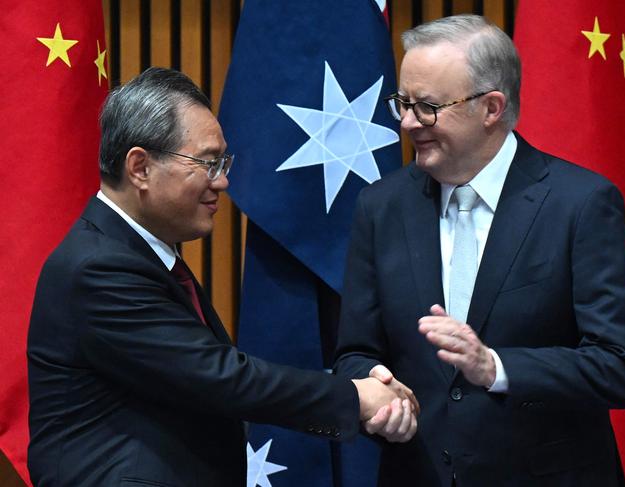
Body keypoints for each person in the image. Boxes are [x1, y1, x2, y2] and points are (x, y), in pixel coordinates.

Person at [27, 67, 418, 487]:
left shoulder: (141, 253)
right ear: (140, 167)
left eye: (222, 162)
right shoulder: (99, 267)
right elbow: (221, 377)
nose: (224, 181)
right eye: (208, 163)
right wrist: (356, 397)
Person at [334, 14, 625, 487]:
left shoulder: (580, 204)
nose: (406, 122)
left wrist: (497, 367)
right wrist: (380, 387)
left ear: (491, 107)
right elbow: (356, 351)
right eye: (402, 103)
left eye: (427, 107)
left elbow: (621, 368)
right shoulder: (381, 206)